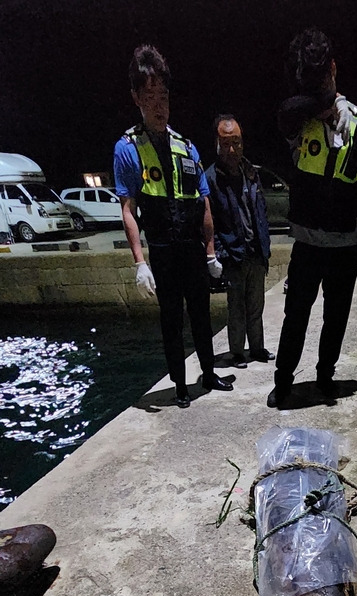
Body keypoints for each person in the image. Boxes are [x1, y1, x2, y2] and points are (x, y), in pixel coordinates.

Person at [267, 28, 357, 408]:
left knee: (335, 319)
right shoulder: (299, 119)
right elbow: (283, 113)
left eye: (322, 82)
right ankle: (283, 382)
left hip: (343, 245)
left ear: (334, 68)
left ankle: (325, 377)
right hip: (307, 244)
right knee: (295, 317)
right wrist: (317, 104)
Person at [114, 45, 233, 408]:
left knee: (201, 313)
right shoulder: (127, 148)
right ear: (136, 98)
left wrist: (211, 252)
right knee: (171, 320)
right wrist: (140, 263)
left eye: (163, 95)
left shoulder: (187, 146)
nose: (159, 104)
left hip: (192, 248)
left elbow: (204, 200)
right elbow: (128, 208)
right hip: (163, 249)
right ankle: (180, 385)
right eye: (149, 96)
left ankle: (208, 373)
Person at [205, 116, 275, 369]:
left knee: (257, 305)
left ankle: (256, 348)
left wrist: (264, 245)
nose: (232, 149)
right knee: (236, 309)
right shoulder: (211, 179)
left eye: (236, 142)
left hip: (256, 252)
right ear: (217, 144)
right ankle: (236, 353)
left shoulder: (251, 172)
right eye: (226, 143)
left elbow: (261, 210)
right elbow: (208, 222)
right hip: (233, 255)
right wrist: (218, 254)